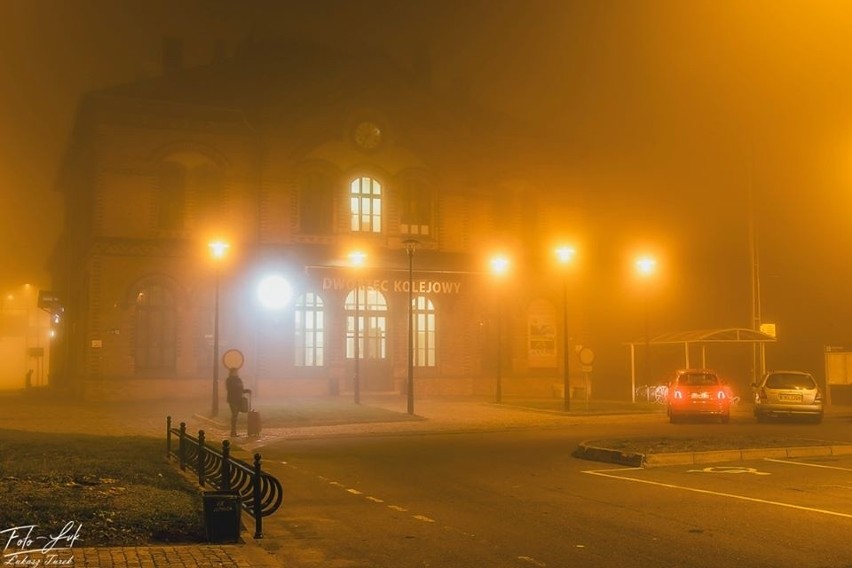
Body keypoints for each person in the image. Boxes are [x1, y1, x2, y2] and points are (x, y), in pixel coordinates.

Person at [225, 368, 250, 436]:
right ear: (232, 372)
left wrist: (247, 391)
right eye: (235, 372)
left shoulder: (238, 379)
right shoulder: (229, 379)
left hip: (239, 399)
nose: (237, 373)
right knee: (234, 415)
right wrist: (238, 387)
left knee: (236, 415)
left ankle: (234, 431)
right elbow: (230, 389)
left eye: (237, 372)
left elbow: (241, 389)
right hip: (232, 400)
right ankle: (233, 432)